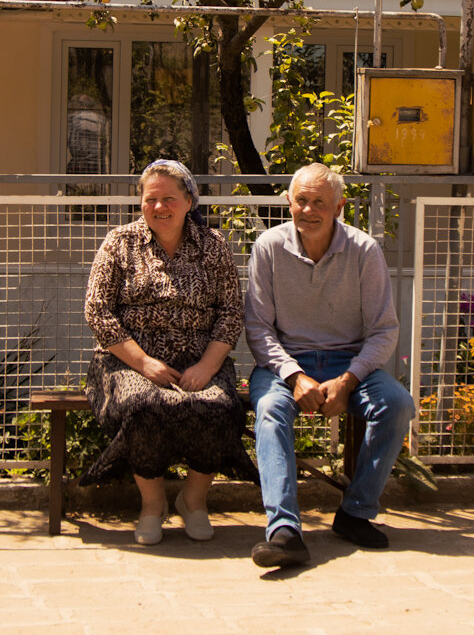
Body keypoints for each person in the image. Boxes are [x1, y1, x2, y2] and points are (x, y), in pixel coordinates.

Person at [244, 163, 414, 568]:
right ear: (288, 201)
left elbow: (384, 330)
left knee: (398, 405)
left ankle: (355, 514)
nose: (309, 210)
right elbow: (258, 328)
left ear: (338, 206)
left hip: (348, 361)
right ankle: (284, 531)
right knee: (269, 411)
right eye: (301, 200)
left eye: (319, 201)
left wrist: (350, 379)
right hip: (286, 362)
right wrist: (294, 375)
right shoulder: (268, 247)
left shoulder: (364, 250)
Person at [82, 159, 258, 545]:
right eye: (150, 199)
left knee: (219, 408)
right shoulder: (119, 242)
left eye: (169, 198)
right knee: (144, 407)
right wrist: (144, 363)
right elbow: (97, 310)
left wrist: (208, 366)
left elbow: (230, 312)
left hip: (199, 360)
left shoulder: (213, 246)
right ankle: (153, 504)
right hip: (127, 360)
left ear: (190, 201)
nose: (159, 207)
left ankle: (193, 501)